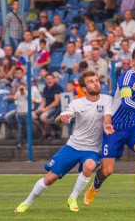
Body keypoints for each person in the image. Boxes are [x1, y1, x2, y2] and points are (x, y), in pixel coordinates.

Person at [15, 71, 114, 213]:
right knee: (50, 178)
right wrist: (62, 118)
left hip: (92, 149)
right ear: (84, 88)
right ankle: (27, 202)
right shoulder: (77, 103)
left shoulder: (107, 99)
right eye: (91, 81)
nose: (96, 83)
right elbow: (59, 118)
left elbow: (107, 117)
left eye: (96, 80)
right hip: (73, 146)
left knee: (89, 166)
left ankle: (72, 197)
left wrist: (107, 125)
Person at [84, 44, 135, 208]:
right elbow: (126, 102)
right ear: (133, 61)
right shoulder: (127, 77)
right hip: (114, 127)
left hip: (133, 125)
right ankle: (94, 187)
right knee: (107, 171)